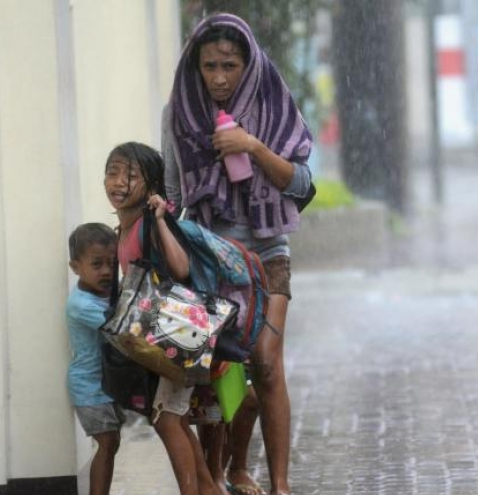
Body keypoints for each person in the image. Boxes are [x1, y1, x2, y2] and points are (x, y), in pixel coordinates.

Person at [163, 13, 314, 495]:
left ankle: (281, 484)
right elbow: (171, 193)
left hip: (269, 251)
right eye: (210, 66)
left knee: (266, 361)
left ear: (247, 64)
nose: (220, 77)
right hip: (209, 252)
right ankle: (229, 468)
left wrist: (252, 146)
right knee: (217, 372)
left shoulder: (272, 101)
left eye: (230, 65)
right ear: (196, 65)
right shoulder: (179, 111)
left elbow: (303, 185)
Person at [103, 141, 223, 495]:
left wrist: (159, 219)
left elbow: (182, 268)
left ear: (151, 186)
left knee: (169, 419)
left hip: (176, 335)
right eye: (113, 172)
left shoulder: (148, 224)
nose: (120, 183)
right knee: (175, 420)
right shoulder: (122, 230)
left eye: (131, 176)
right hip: (158, 341)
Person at [66, 222, 126, 495]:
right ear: (75, 266)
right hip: (89, 386)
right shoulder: (82, 304)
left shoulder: (107, 292)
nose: (106, 271)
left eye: (112, 264)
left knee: (111, 442)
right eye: (97, 264)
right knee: (107, 442)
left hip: (108, 382)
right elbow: (119, 329)